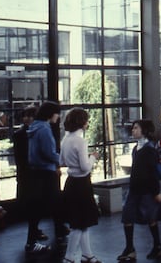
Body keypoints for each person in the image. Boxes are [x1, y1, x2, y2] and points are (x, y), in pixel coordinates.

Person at [118, 120, 161, 262]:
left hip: (147, 191)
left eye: (136, 128)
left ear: (144, 130)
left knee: (151, 218)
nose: (133, 130)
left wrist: (156, 192)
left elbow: (153, 172)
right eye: (133, 128)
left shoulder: (150, 150)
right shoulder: (135, 149)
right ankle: (130, 248)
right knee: (127, 217)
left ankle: (157, 245)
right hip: (134, 190)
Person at [60, 108, 101, 263]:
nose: (88, 123)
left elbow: (61, 162)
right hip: (82, 185)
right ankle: (69, 257)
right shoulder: (81, 141)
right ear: (82, 122)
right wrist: (93, 157)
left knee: (81, 222)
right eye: (86, 120)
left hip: (70, 183)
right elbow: (85, 167)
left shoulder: (65, 139)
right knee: (80, 223)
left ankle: (87, 255)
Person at [25, 100, 63, 255]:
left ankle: (33, 241)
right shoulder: (45, 129)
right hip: (46, 173)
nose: (58, 117)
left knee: (39, 207)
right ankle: (33, 242)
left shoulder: (34, 127)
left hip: (36, 172)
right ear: (50, 114)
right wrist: (61, 159)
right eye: (57, 114)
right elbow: (48, 152)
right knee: (50, 205)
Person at [12, 105, 47, 241]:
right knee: (31, 204)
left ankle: (34, 230)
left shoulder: (36, 132)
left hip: (35, 173)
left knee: (38, 204)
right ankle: (32, 234)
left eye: (30, 116)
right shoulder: (20, 134)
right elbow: (20, 158)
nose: (27, 118)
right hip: (27, 174)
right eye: (25, 115)